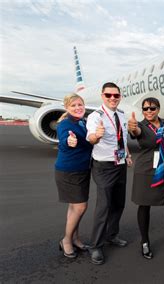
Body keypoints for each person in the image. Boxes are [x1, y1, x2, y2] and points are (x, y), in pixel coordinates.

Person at [86, 82, 132, 265]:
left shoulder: (121, 115)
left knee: (118, 203)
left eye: (116, 95)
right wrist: (96, 136)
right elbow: (90, 138)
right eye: (108, 95)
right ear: (102, 96)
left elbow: (123, 138)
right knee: (104, 205)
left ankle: (112, 235)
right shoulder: (96, 117)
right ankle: (96, 245)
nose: (113, 98)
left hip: (120, 164)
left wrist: (127, 154)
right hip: (104, 166)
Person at [128, 97, 164, 260]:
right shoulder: (140, 126)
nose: (149, 111)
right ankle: (145, 241)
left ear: (158, 109)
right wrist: (132, 128)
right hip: (147, 171)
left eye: (152, 108)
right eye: (145, 109)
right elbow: (136, 133)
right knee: (144, 206)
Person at [55, 93, 93, 259]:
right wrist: (68, 142)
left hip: (82, 169)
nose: (78, 108)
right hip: (69, 171)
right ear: (67, 108)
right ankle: (66, 240)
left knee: (73, 207)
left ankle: (75, 238)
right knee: (80, 207)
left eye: (80, 105)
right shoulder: (65, 124)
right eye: (74, 106)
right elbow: (64, 139)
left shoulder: (83, 122)